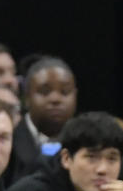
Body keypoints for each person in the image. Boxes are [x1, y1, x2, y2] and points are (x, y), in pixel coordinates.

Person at [7, 56, 77, 184]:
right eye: (45, 92)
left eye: (65, 92)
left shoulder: (87, 143)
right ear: (26, 97)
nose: (56, 99)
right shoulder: (6, 142)